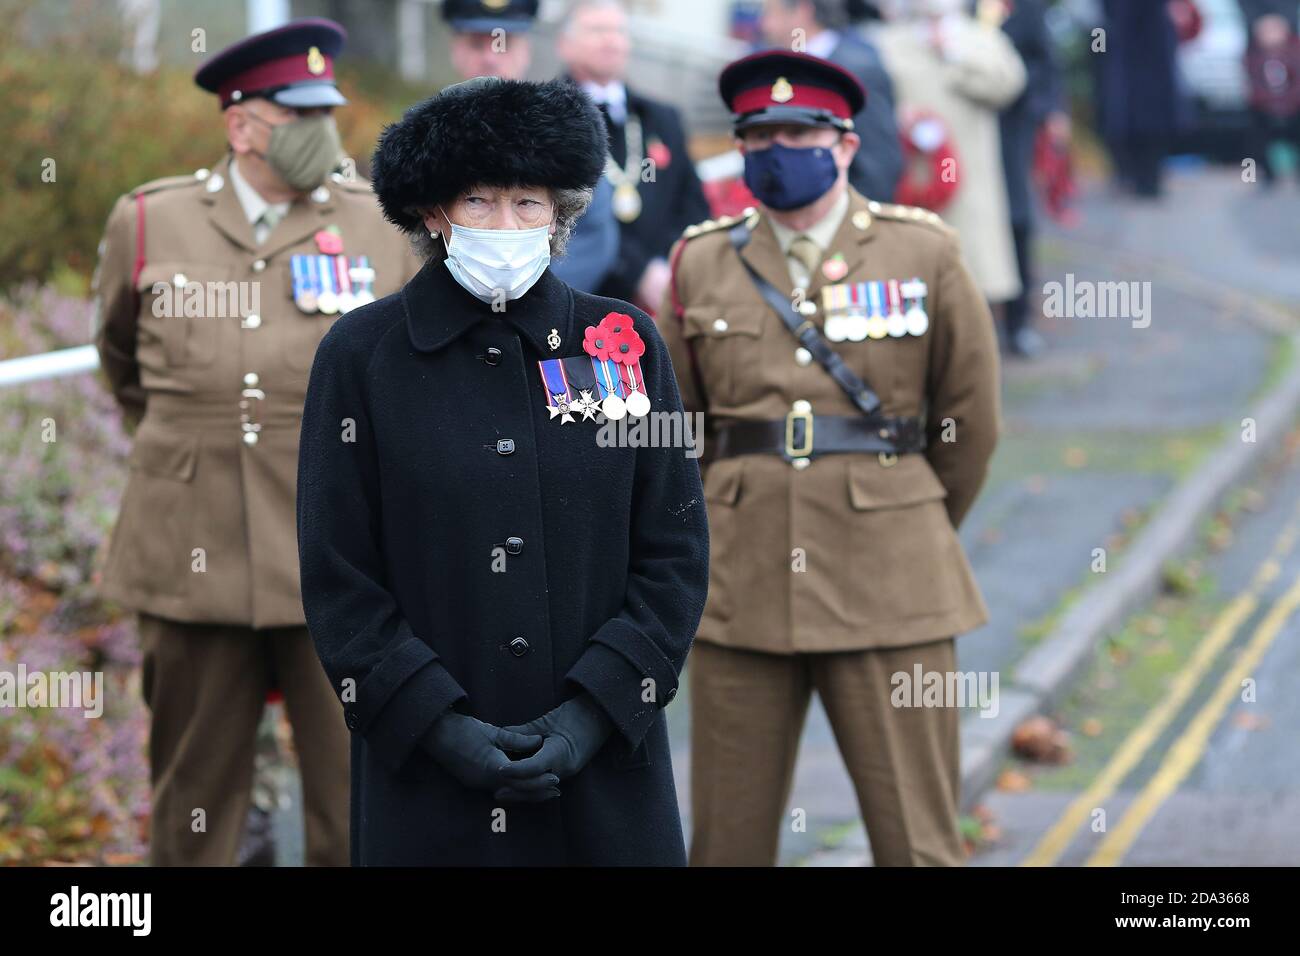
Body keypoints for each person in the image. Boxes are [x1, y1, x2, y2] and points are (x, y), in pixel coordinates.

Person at [296, 76, 709, 865]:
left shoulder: (624, 341)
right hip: (426, 777)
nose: (507, 222)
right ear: (433, 213)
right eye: (480, 201)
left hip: (607, 771)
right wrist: (437, 726)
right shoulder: (361, 356)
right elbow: (339, 574)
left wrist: (590, 715)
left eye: (529, 202)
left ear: (561, 213)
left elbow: (675, 553)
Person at [659, 50, 1000, 866]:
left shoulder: (924, 253)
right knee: (724, 845)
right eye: (761, 134)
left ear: (845, 144)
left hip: (893, 579)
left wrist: (908, 515)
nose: (781, 148)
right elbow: (677, 429)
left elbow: (971, 421)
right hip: (741, 583)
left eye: (802, 131)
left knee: (917, 842)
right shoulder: (701, 260)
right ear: (741, 148)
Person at [92, 18, 418, 865]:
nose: (322, 133)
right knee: (194, 795)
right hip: (188, 546)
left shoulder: (380, 224)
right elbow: (122, 363)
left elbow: (413, 379)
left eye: (327, 113)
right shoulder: (150, 220)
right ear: (240, 126)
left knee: (357, 790)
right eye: (296, 114)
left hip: (340, 557)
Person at [442, 0, 620, 292]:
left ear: (526, 50)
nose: (490, 57)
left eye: (504, 44)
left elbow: (590, 241)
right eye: (476, 44)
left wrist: (526, 305)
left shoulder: (566, 137)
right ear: (455, 50)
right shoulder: (426, 140)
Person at [557, 0, 711, 311]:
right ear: (565, 45)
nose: (610, 40)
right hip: (583, 298)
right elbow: (563, 215)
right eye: (597, 30)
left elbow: (693, 205)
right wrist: (636, 272)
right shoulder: (547, 119)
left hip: (664, 295)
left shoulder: (661, 119)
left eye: (618, 31)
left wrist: (666, 265)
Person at [870, 0, 1026, 306]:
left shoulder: (981, 38)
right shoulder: (887, 41)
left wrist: (954, 56)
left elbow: (1008, 85)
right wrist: (897, 116)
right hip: (910, 176)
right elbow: (873, 98)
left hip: (969, 173)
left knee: (971, 269)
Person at [759, 0, 903, 202]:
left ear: (802, 11)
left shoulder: (859, 70)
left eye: (771, 14)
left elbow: (877, 167)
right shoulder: (782, 70)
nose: (765, 25)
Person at [996, 0, 1068, 357]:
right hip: (956, 127)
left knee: (1016, 217)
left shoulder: (1024, 8)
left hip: (1011, 122)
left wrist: (1050, 111)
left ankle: (1018, 320)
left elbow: (1046, 61)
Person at [1096, 0, 1184, 198]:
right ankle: (1138, 176)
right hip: (1129, 46)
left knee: (1145, 116)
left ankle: (1145, 177)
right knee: (1132, 116)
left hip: (1146, 46)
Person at [1239, 0, 1300, 187]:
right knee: (1253, 134)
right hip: (1262, 100)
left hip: (1293, 97)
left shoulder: (1294, 49)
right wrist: (1259, 22)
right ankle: (1253, 175)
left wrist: (1283, 21)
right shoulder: (1253, 54)